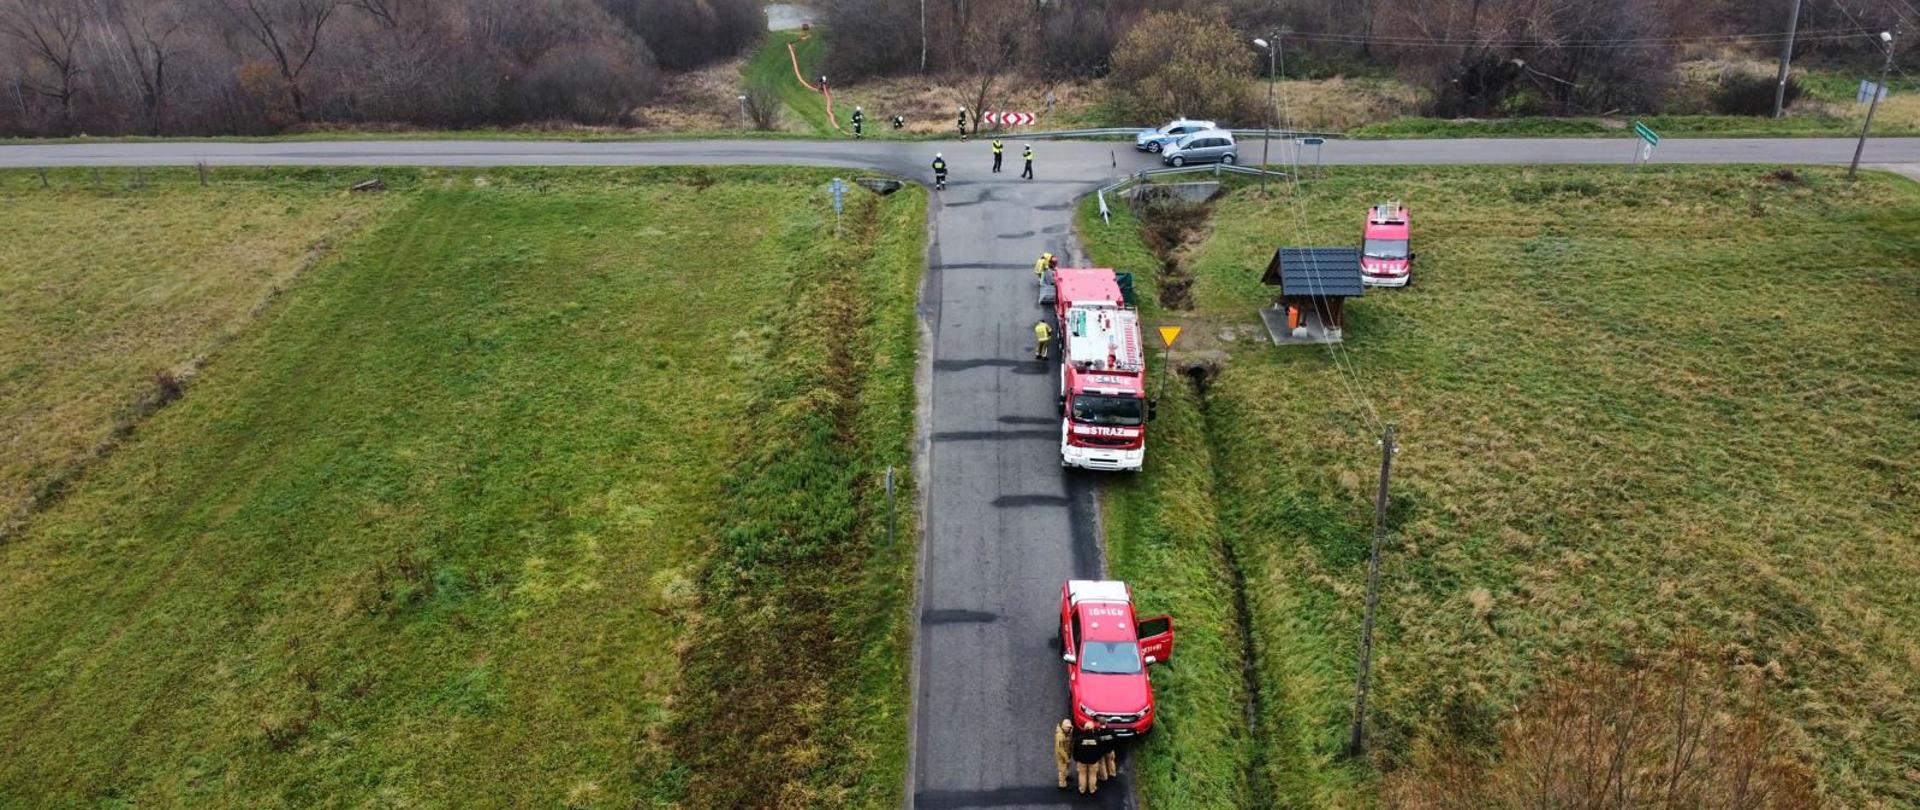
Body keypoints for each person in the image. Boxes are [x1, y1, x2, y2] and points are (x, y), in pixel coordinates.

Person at [1071, 720, 1105, 794]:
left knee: (1082, 775)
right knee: (1092, 775)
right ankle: (1092, 789)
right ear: (1092, 729)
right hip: (1093, 761)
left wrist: (1076, 758)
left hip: (1081, 761)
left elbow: (1075, 750)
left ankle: (1082, 789)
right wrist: (1097, 758)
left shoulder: (1079, 739)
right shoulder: (1097, 739)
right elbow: (1101, 750)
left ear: (1084, 728)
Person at [1052, 719, 1074, 790]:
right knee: (1062, 770)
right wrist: (1066, 758)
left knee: (1067, 766)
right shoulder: (1059, 736)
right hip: (1062, 756)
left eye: (1070, 727)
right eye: (1068, 727)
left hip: (1067, 753)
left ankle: (1066, 776)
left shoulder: (1067, 731)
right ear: (1063, 727)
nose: (1069, 729)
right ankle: (1062, 784)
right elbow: (1060, 749)